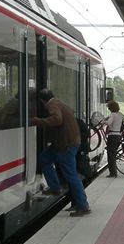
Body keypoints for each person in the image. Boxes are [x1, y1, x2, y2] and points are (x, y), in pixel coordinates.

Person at [31, 88, 90, 217]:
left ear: (42, 100)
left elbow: (57, 119)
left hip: (65, 145)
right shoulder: (60, 102)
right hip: (64, 143)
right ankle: (55, 188)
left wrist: (38, 121)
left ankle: (83, 205)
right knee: (44, 159)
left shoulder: (52, 105)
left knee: (71, 176)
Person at [104, 100, 124, 178]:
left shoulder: (112, 114)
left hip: (112, 136)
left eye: (109, 108)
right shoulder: (120, 115)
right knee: (113, 153)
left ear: (111, 108)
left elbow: (108, 123)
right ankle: (114, 171)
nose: (109, 109)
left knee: (110, 155)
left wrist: (104, 121)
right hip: (118, 136)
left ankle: (113, 173)